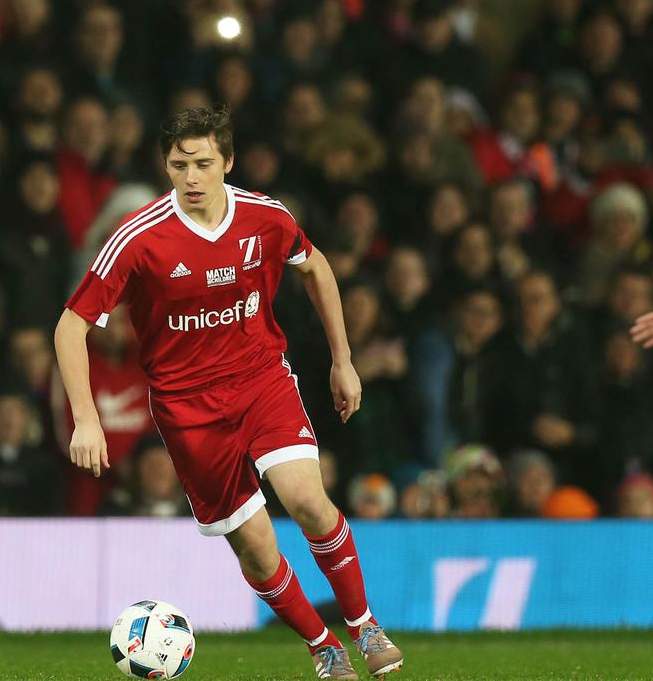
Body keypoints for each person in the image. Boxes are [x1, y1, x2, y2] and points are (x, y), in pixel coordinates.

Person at [53, 107, 402, 680]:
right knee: (258, 549)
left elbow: (315, 269)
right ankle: (322, 646)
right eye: (178, 164)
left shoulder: (265, 217)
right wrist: (85, 418)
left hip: (261, 379)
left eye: (202, 164)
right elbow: (71, 326)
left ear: (227, 163)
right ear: (165, 166)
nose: (190, 177)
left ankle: (364, 625)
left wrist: (343, 360)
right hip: (188, 410)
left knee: (309, 502)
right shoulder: (137, 237)